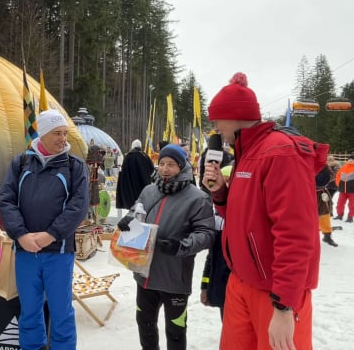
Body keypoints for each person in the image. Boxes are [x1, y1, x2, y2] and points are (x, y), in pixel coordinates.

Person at [202, 72, 328, 349]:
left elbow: (296, 234)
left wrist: (284, 307)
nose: (216, 127)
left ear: (234, 115)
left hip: (274, 293)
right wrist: (221, 193)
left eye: (217, 119)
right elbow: (245, 220)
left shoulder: (280, 153)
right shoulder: (247, 154)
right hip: (241, 282)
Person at [0, 109, 89, 350]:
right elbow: (6, 201)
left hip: (58, 252)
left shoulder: (74, 166)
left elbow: (78, 206)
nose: (63, 139)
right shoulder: (21, 163)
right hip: (26, 251)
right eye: (57, 133)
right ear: (43, 134)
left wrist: (51, 234)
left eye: (65, 133)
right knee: (29, 311)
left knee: (61, 312)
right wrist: (21, 234)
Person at [117, 144, 215, 350]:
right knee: (145, 325)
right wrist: (128, 222)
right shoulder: (149, 191)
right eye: (161, 163)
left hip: (175, 277)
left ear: (182, 166)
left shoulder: (197, 198)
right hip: (145, 276)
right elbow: (136, 213)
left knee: (176, 331)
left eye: (171, 164)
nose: (164, 169)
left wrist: (180, 246)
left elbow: (206, 234)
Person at [200, 165, 232, 320]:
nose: (226, 186)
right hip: (221, 288)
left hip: (240, 289)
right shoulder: (216, 221)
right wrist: (205, 286)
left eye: (229, 181)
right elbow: (211, 258)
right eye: (223, 181)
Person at [115, 139, 154, 210]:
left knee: (132, 209)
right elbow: (152, 169)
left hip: (130, 188)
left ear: (132, 146)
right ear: (140, 146)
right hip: (143, 186)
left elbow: (123, 173)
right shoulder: (145, 156)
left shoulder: (127, 157)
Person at [316, 165, 338, 246]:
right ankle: (305, 237)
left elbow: (332, 176)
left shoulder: (323, 165)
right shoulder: (301, 162)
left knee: (324, 214)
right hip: (305, 192)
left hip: (321, 193)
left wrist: (325, 178)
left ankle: (327, 236)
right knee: (305, 216)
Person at [334, 154, 354, 222]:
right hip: (342, 190)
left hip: (352, 191)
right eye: (350, 159)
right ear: (347, 160)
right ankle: (340, 215)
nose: (351, 160)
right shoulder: (343, 167)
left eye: (352, 159)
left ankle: (350, 217)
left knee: (352, 205)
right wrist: (338, 183)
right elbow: (338, 176)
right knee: (340, 203)